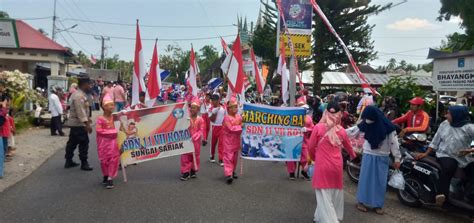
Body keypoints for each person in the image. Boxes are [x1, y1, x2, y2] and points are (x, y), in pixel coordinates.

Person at [346, 106, 401, 215]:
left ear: (375, 117)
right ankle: (361, 202)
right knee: (365, 179)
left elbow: (394, 143)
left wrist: (397, 158)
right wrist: (337, 132)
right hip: (368, 155)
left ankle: (377, 205)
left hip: (383, 156)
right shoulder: (366, 122)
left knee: (380, 182)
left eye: (369, 118)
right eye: (365, 118)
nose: (367, 120)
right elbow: (352, 131)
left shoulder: (389, 127)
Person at [415, 105, 474, 206]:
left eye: (449, 114)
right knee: (449, 167)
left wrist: (470, 150)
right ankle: (442, 195)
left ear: (457, 115)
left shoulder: (469, 127)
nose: (446, 116)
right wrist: (426, 153)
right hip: (444, 154)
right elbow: (436, 140)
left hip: (464, 158)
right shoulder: (444, 124)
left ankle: (469, 197)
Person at [308, 102, 356, 223]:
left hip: (322, 165)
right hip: (337, 166)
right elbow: (349, 147)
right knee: (332, 195)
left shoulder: (318, 128)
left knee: (324, 197)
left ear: (326, 112)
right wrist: (353, 155)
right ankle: (318, 217)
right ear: (339, 114)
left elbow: (311, 147)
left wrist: (314, 157)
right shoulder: (342, 131)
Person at [65, 76, 93, 171]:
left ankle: (68, 161)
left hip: (76, 123)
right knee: (84, 143)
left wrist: (88, 120)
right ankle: (84, 163)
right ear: (84, 84)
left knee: (72, 143)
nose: (90, 86)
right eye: (89, 84)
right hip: (78, 124)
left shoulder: (79, 94)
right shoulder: (79, 96)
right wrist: (87, 124)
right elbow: (80, 111)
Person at [286, 96, 314, 180]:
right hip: (293, 140)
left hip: (304, 141)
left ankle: (304, 171)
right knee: (292, 157)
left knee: (306, 157)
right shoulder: (292, 117)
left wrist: (307, 129)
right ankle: (291, 172)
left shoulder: (308, 118)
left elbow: (313, 128)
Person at [96, 95, 120, 189]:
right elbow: (99, 130)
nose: (111, 107)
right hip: (103, 143)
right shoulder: (100, 119)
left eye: (112, 105)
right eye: (109, 105)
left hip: (113, 143)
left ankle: (110, 177)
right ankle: (106, 175)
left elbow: (122, 124)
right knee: (104, 161)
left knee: (113, 159)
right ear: (104, 107)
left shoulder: (115, 117)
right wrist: (113, 132)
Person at [180, 98, 205, 181]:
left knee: (195, 156)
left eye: (194, 108)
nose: (192, 109)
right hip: (186, 140)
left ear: (198, 109)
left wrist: (196, 136)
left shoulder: (200, 119)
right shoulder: (186, 118)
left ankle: (193, 170)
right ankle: (185, 172)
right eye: (191, 107)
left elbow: (201, 130)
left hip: (196, 142)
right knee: (185, 156)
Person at [222, 97, 242, 184]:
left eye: (236, 107)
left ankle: (232, 171)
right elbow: (230, 128)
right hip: (228, 141)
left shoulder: (239, 117)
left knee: (234, 158)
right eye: (233, 107)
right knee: (228, 158)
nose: (235, 109)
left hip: (236, 141)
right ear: (228, 108)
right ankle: (228, 174)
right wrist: (241, 126)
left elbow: (243, 125)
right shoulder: (226, 118)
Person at [209, 94, 226, 166]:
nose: (212, 102)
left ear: (218, 100)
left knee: (221, 144)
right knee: (213, 143)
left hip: (221, 127)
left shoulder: (223, 108)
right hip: (214, 127)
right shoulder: (210, 108)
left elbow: (226, 117)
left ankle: (221, 159)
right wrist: (214, 113)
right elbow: (212, 120)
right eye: (212, 100)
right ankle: (212, 155)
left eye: (214, 100)